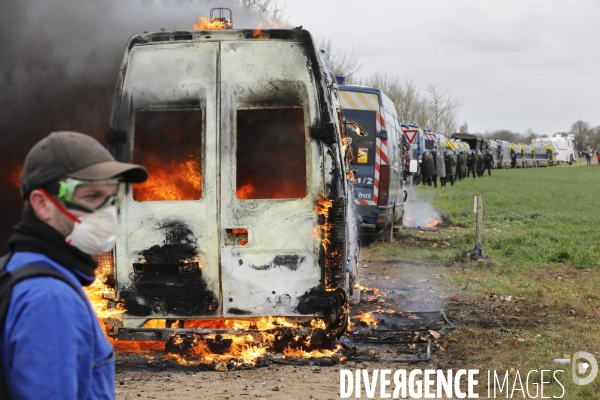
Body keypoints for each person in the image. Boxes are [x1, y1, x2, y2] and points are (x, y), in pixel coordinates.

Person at [0, 131, 148, 399]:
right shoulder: (49, 296)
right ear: (42, 204)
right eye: (91, 196)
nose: (107, 210)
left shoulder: (15, 271)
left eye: (112, 196)